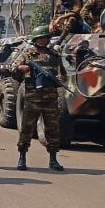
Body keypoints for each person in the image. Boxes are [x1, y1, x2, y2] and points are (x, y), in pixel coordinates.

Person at [11, 25, 66, 171]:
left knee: (53, 129)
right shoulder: (27, 55)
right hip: (32, 96)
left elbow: (63, 74)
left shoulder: (54, 55)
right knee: (26, 129)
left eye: (45, 38)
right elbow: (13, 69)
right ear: (35, 40)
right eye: (40, 38)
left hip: (50, 98)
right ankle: (22, 157)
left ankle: (53, 159)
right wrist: (21, 68)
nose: (43, 41)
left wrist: (60, 78)